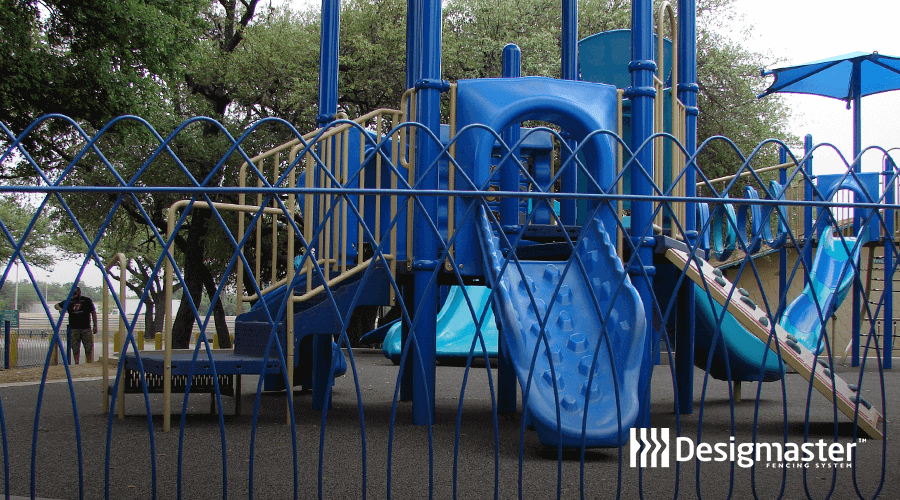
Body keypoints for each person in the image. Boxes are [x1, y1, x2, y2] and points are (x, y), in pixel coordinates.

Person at [54, 286, 98, 364]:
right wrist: (60, 309)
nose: (75, 295)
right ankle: (77, 363)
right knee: (75, 348)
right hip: (74, 328)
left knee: (88, 348)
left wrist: (95, 325)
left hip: (86, 327)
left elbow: (93, 312)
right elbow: (56, 305)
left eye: (76, 293)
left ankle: (89, 363)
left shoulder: (86, 300)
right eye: (74, 293)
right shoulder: (69, 301)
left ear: (79, 293)